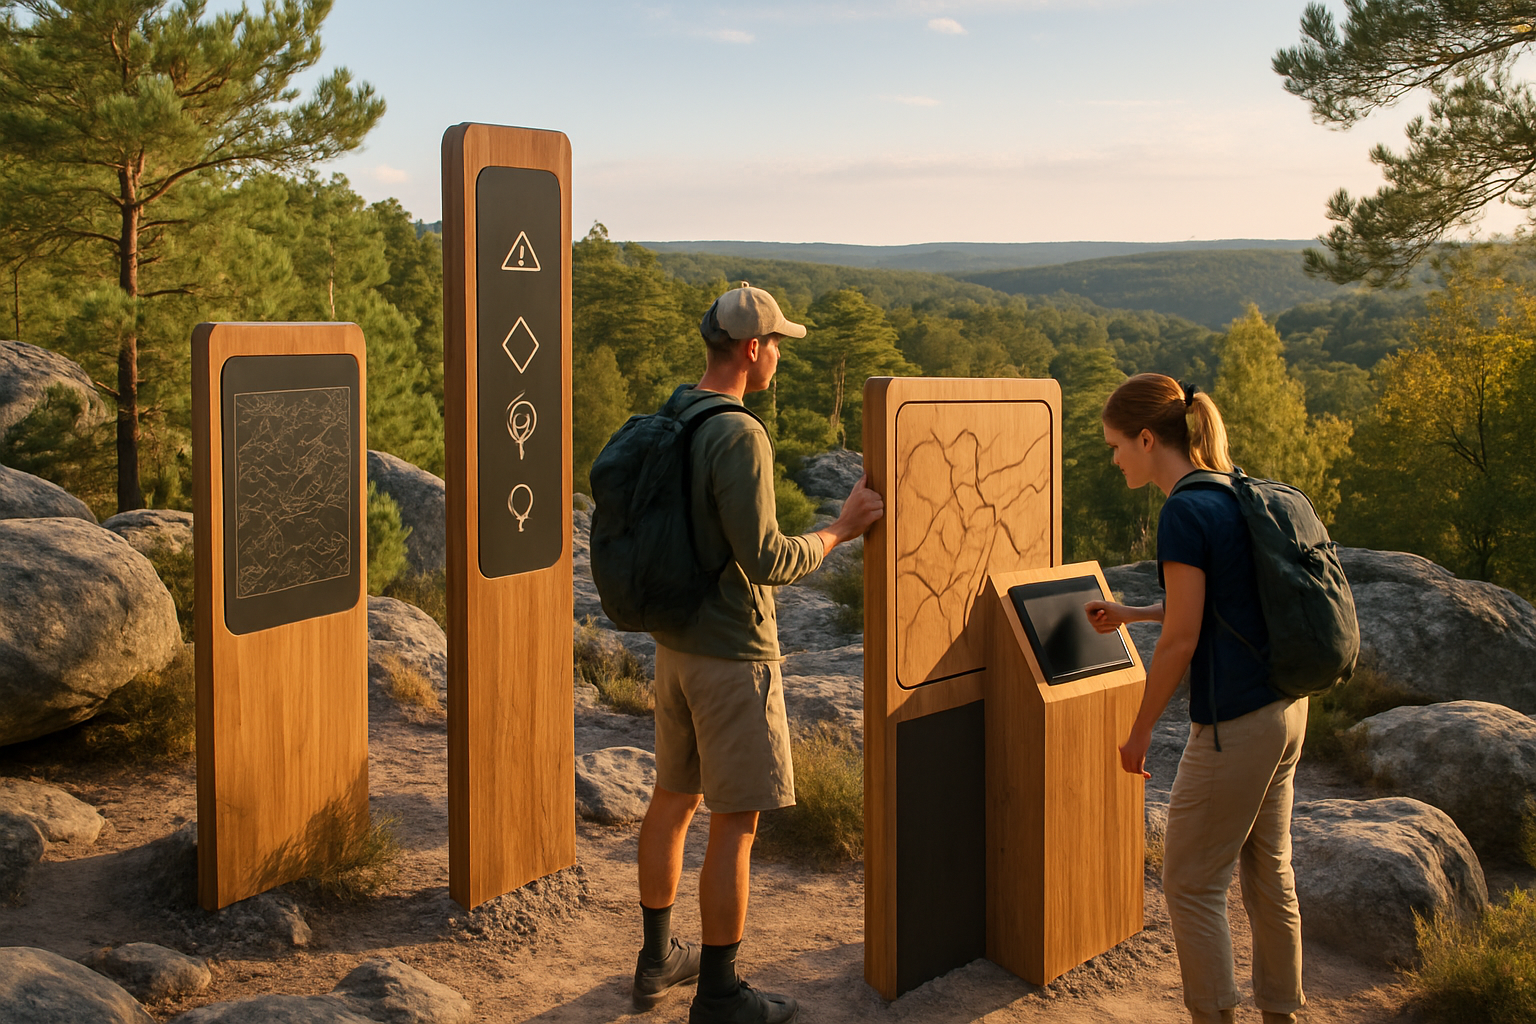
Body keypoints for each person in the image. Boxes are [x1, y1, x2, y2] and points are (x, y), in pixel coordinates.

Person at [631, 283, 883, 1024]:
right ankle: (719, 994)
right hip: (732, 655)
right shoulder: (739, 433)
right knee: (736, 823)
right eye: (776, 344)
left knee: (672, 803)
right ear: (751, 349)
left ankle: (656, 963)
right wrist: (841, 530)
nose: (779, 355)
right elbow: (768, 558)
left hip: (674, 647)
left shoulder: (677, 412)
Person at [1084, 373, 1306, 1024]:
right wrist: (1134, 612)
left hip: (1235, 722)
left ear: (1148, 439)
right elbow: (1214, 609)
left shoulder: (1182, 509)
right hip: (1287, 711)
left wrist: (1139, 730)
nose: (1115, 457)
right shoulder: (1231, 488)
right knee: (1270, 872)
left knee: (1190, 883)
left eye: (1116, 445)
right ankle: (1282, 1013)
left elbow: (1183, 643)